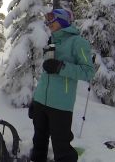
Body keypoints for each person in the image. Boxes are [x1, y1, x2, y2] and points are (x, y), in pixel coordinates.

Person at [28, 9, 95, 162]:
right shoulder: (52, 41)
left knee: (61, 147)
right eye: (47, 19)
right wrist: (35, 99)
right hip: (41, 102)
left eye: (52, 19)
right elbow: (46, 75)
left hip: (60, 105)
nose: (48, 23)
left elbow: (88, 72)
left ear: (63, 20)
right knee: (39, 142)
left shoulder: (78, 42)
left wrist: (61, 67)